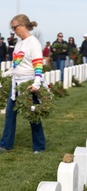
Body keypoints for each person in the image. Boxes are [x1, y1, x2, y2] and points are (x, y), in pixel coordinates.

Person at [0, 14, 46, 154]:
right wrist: (4, 75)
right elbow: (16, 65)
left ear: (23, 26)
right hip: (16, 84)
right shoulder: (19, 44)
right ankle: (6, 144)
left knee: (32, 114)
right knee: (10, 113)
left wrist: (36, 84)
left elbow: (38, 65)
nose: (14, 31)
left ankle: (39, 146)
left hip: (28, 84)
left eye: (14, 27)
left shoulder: (34, 43)